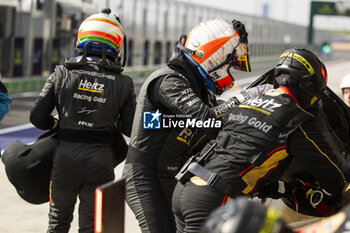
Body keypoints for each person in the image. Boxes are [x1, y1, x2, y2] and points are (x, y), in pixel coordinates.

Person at [172, 47, 350, 233]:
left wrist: (282, 188)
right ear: (309, 85)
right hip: (214, 198)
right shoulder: (296, 119)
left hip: (186, 185)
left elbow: (241, 153)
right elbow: (334, 177)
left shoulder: (247, 104)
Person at [122, 18, 273, 233]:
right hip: (144, 175)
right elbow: (206, 118)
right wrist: (241, 98)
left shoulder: (200, 90)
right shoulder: (169, 80)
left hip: (170, 173)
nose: (230, 73)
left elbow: (222, 122)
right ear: (214, 56)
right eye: (230, 64)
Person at [30, 8, 136, 233]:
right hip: (101, 160)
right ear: (116, 44)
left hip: (65, 158)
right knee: (91, 226)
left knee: (58, 222)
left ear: (81, 39)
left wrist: (58, 124)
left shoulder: (60, 73)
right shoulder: (124, 83)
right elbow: (129, 128)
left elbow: (37, 117)